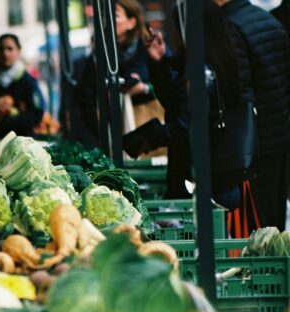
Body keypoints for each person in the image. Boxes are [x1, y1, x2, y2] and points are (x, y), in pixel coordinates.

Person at [124, 0, 251, 210]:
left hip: (201, 180)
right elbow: (177, 106)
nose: (175, 35)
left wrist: (145, 138)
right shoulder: (218, 61)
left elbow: (186, 129)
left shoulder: (201, 74)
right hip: (219, 175)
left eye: (177, 28)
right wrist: (160, 61)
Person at [217, 0, 290, 229]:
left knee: (257, 226)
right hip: (279, 133)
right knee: (274, 220)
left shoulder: (230, 26)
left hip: (255, 144)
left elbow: (242, 93)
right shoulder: (270, 21)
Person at [76, 0, 155, 141]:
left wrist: (143, 88)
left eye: (116, 15)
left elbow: (168, 84)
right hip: (113, 137)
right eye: (107, 16)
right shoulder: (99, 55)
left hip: (148, 131)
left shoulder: (150, 48)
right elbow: (86, 98)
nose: (110, 21)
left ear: (131, 22)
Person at [0, 34, 46, 140]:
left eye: (10, 49)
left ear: (18, 51)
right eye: (1, 49)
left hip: (22, 140)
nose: (5, 53)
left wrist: (6, 121)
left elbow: (37, 114)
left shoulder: (28, 81)